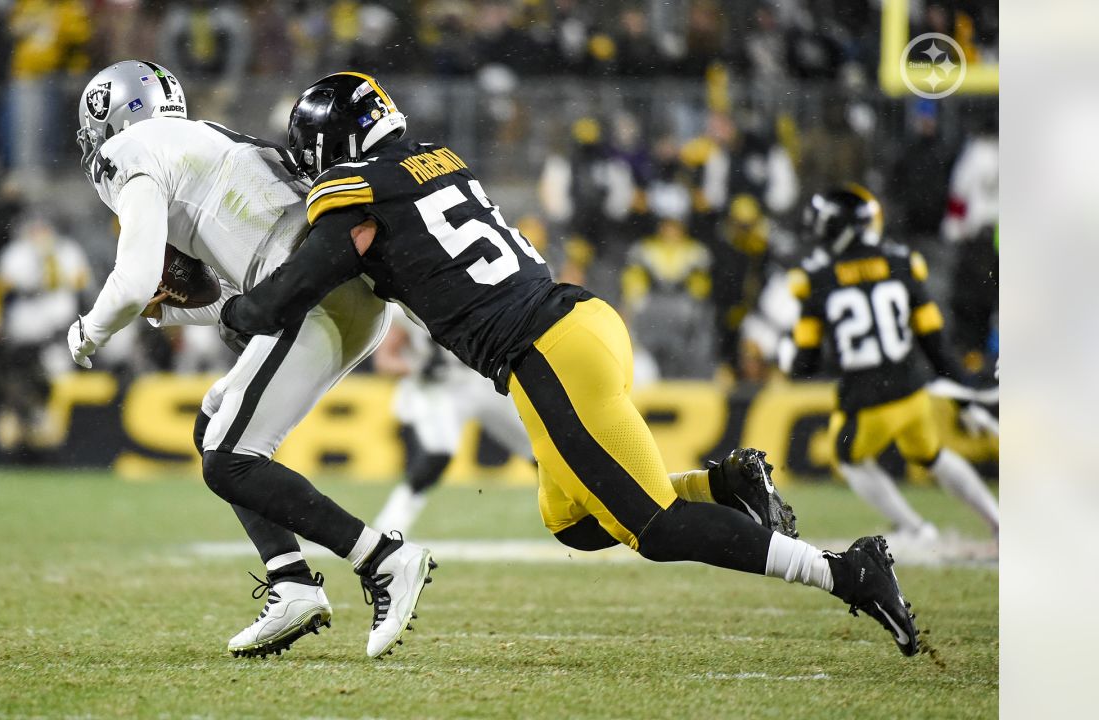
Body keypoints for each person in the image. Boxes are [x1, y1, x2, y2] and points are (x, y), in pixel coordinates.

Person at [220, 72, 921, 656]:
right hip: (578, 328)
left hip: (545, 348)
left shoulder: (356, 192)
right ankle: (726, 483)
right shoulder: (435, 158)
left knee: (656, 528)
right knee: (576, 522)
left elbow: (294, 290)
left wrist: (227, 312)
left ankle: (846, 570)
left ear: (335, 143)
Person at [66, 61, 435, 660]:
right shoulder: (202, 143)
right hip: (337, 293)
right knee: (214, 428)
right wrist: (160, 313)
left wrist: (88, 332)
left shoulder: (132, 150)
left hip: (314, 296)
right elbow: (235, 300)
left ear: (112, 114)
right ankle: (291, 583)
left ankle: (384, 559)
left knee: (229, 461)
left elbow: (133, 281)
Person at [783, 185, 1000, 542]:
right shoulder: (902, 264)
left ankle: (916, 528)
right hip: (912, 389)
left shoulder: (816, 279)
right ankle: (998, 520)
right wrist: (964, 394)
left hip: (865, 398)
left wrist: (789, 356)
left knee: (848, 456)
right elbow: (935, 342)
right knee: (931, 454)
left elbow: (804, 364)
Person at [372, 304, 535, 535]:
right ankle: (389, 526)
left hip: (483, 382)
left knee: (539, 450)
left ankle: (573, 509)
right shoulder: (407, 307)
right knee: (437, 455)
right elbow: (385, 361)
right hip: (440, 389)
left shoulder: (480, 291)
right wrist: (417, 368)